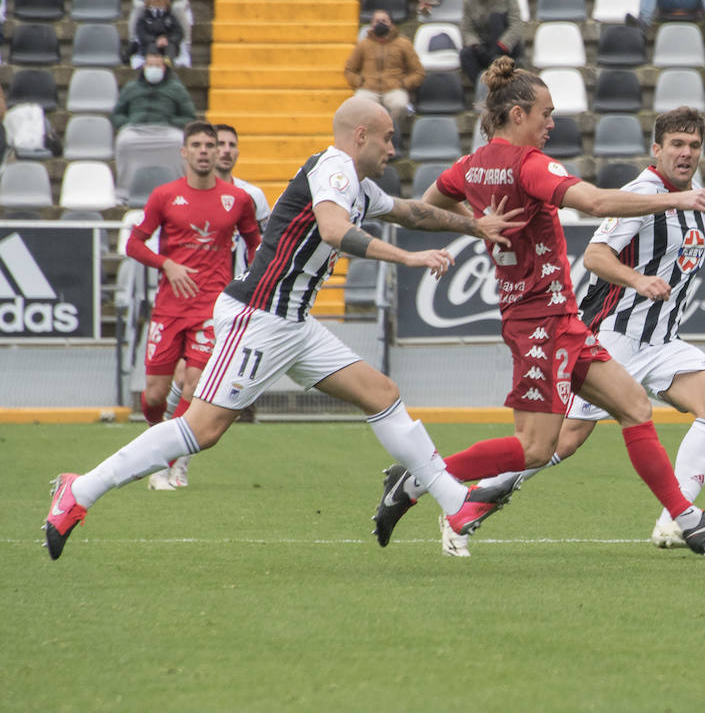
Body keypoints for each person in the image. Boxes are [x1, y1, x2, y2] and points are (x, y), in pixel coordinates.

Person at [42, 96, 527, 560]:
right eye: (387, 139)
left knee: (382, 393)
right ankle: (78, 490)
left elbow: (410, 210)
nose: (393, 149)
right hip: (259, 317)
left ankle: (453, 501)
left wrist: (474, 226)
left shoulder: (354, 181)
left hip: (293, 322)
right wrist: (408, 257)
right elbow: (336, 231)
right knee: (202, 429)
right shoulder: (334, 170)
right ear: (361, 136)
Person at [369, 59, 705, 556]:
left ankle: (687, 521)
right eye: (545, 114)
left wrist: (474, 226)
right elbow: (593, 203)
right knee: (539, 447)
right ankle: (417, 478)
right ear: (517, 114)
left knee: (636, 408)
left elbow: (428, 204)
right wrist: (673, 202)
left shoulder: (470, 165)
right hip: (537, 322)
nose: (552, 124)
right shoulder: (529, 164)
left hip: (563, 318)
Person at [440, 106, 705, 556]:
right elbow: (596, 255)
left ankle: (676, 522)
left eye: (694, 145)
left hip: (660, 340)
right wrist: (637, 280)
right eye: (676, 144)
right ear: (656, 150)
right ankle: (463, 509)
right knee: (559, 442)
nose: (686, 153)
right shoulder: (643, 194)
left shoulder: (694, 201)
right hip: (614, 336)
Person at [124, 123, 261, 491]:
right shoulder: (164, 196)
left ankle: (171, 462)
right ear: (183, 153)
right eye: (196, 145)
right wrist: (166, 263)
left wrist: (251, 281)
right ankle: (156, 440)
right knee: (154, 395)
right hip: (169, 308)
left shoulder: (238, 200)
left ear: (219, 153)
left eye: (210, 145)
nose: (204, 150)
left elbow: (255, 244)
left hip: (211, 309)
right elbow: (134, 245)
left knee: (193, 387)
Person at [343, 9, 425, 135]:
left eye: (384, 21)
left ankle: (391, 135)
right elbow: (349, 70)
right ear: (371, 24)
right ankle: (369, 137)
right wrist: (360, 81)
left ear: (391, 23)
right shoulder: (363, 45)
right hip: (368, 89)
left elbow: (418, 72)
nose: (380, 24)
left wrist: (403, 83)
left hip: (394, 88)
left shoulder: (403, 44)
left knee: (400, 105)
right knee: (358, 105)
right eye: (377, 21)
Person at [214, 124, 272, 278]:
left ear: (238, 152)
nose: (227, 150)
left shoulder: (253, 195)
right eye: (221, 144)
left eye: (232, 145)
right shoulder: (187, 195)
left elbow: (268, 242)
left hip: (239, 291)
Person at [459, 0, 525, 84]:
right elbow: (466, 29)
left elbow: (517, 24)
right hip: (484, 48)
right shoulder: (468, 0)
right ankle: (482, 86)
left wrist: (502, 45)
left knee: (496, 18)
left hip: (506, 47)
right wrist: (476, 46)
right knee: (465, 54)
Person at [112, 55, 196, 134]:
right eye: (150, 65)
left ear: (164, 68)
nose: (154, 68)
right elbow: (117, 115)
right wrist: (129, 122)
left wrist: (170, 122)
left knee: (177, 141)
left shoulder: (177, 89)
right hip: (135, 130)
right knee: (124, 141)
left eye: (157, 65)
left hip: (167, 131)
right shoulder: (131, 87)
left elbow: (189, 117)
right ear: (144, 67)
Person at [132, 0, 184, 69]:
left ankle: (168, 61)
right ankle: (153, 63)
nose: (157, 8)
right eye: (154, 5)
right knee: (151, 46)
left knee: (171, 47)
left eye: (161, 5)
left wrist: (168, 39)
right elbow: (141, 34)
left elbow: (178, 33)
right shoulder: (144, 19)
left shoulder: (171, 18)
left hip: (167, 43)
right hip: (150, 45)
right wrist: (155, 40)